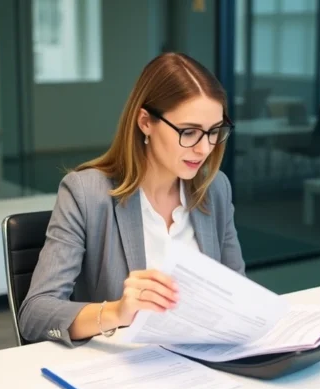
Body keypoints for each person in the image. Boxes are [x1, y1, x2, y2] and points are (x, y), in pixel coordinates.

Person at [18, 53, 244, 346]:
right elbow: (34, 315)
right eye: (189, 132)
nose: (204, 149)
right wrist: (118, 312)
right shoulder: (86, 194)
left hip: (202, 363)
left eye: (214, 132)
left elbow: (238, 292)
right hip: (126, 370)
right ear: (145, 122)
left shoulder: (215, 189)